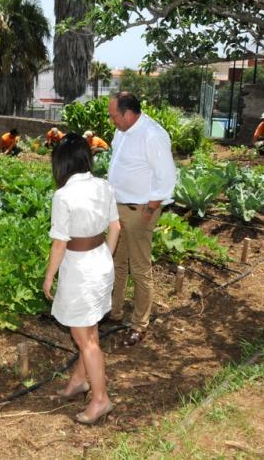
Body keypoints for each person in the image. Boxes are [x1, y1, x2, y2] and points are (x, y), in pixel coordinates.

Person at [43, 134, 120, 425]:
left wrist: (49, 277)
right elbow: (115, 226)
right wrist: (105, 258)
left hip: (79, 268)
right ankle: (80, 380)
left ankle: (101, 399)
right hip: (100, 260)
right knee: (91, 329)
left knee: (84, 338)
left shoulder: (63, 195)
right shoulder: (103, 186)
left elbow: (60, 243)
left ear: (61, 164)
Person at [106, 91, 176, 347]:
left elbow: (166, 177)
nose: (112, 120)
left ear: (128, 113)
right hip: (118, 207)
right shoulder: (122, 132)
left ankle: (139, 324)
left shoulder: (152, 135)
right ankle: (114, 312)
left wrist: (149, 210)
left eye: (114, 115)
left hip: (139, 210)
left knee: (139, 268)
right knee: (117, 263)